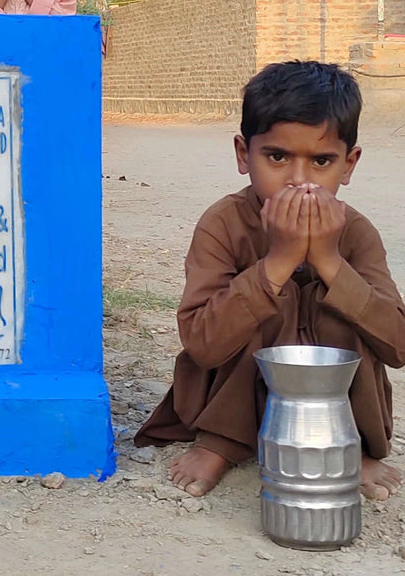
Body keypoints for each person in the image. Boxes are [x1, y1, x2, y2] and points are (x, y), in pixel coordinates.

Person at [134, 61, 405, 501]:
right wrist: (277, 262)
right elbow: (201, 343)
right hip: (230, 394)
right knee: (268, 302)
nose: (299, 181)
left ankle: (348, 444)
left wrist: (330, 261)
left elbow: (397, 345)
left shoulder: (355, 232)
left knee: (341, 311)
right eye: (277, 157)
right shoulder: (223, 223)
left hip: (335, 409)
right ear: (244, 154)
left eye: (321, 161)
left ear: (349, 164)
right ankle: (222, 442)